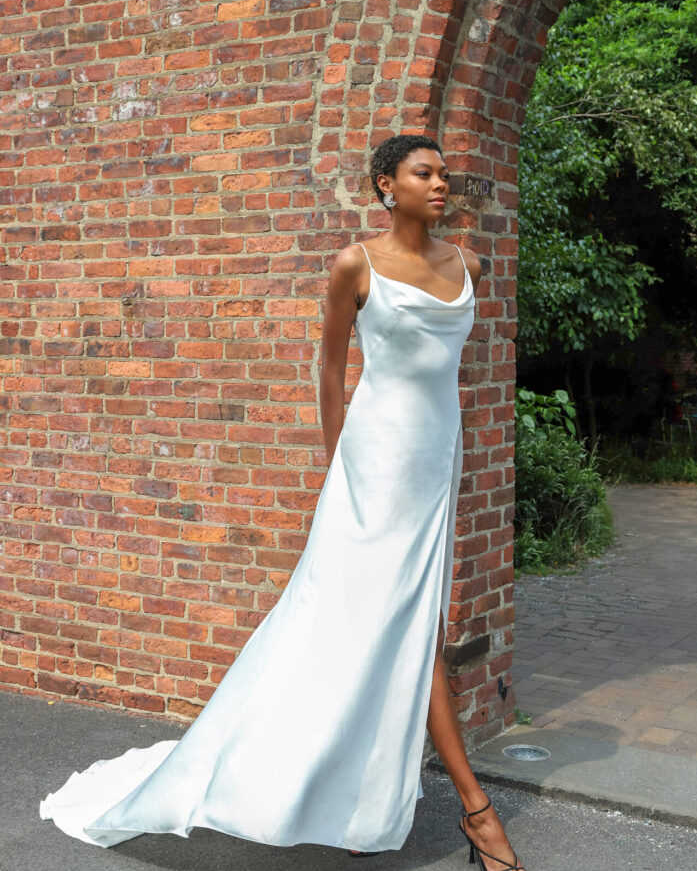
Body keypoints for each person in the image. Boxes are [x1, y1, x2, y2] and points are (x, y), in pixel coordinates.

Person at [40, 134, 524, 871]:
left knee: (400, 627)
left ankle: (363, 801)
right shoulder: (356, 264)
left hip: (434, 463)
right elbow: (329, 368)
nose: (440, 184)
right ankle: (476, 812)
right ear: (385, 185)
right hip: (373, 466)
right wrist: (338, 467)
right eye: (423, 173)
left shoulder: (470, 267)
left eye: (444, 174)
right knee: (406, 626)